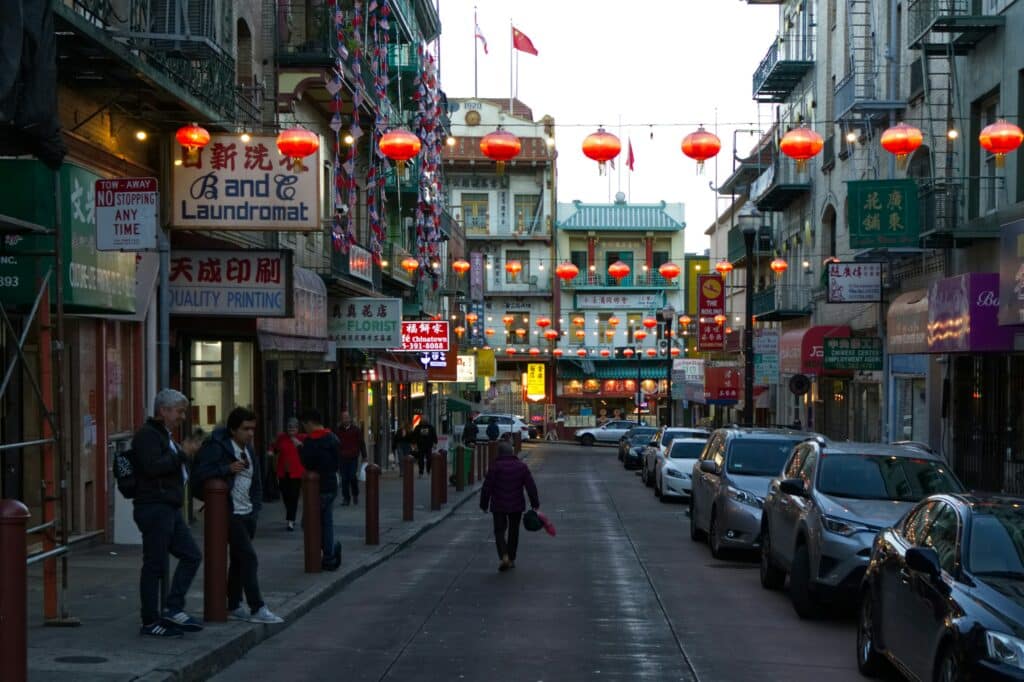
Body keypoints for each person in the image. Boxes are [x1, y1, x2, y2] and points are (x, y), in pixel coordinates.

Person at [193, 407, 283, 624]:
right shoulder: (216, 447)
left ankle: (233, 603)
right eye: (245, 429)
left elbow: (256, 481)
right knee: (248, 558)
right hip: (228, 511)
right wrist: (226, 468)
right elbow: (199, 475)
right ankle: (257, 607)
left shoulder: (249, 449)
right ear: (233, 430)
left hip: (247, 512)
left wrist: (255, 508)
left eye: (253, 429)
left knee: (239, 560)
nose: (250, 433)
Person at [130, 388, 203, 638]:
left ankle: (173, 607)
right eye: (179, 411)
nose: (183, 416)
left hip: (168, 507)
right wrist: (182, 454)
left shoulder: (165, 435)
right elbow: (151, 468)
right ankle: (150, 620)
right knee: (155, 564)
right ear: (164, 410)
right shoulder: (148, 436)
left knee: (191, 555)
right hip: (155, 507)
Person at [480, 433, 540, 572]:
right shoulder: (521, 467)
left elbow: (486, 487)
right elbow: (530, 486)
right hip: (516, 504)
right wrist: (535, 503)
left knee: (499, 531)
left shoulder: (495, 467)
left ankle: (504, 556)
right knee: (514, 531)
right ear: (512, 452)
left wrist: (483, 504)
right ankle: (511, 558)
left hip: (498, 504)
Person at [299, 408, 342, 570]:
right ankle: (329, 555)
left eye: (304, 425)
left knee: (309, 522)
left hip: (317, 488)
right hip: (331, 484)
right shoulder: (333, 438)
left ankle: (326, 553)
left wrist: (300, 449)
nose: (304, 429)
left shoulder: (311, 442)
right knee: (326, 520)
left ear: (310, 423)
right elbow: (338, 461)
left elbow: (307, 463)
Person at [271, 418, 305, 531]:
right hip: (283, 471)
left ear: (297, 428)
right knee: (285, 495)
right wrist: (271, 452)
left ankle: (291, 520)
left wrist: (300, 444)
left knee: (294, 496)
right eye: (289, 427)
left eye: (294, 427)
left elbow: (308, 448)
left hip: (296, 472)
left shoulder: (302, 438)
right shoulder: (282, 437)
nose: (291, 429)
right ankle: (290, 516)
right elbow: (274, 447)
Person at [334, 410, 366, 505]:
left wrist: (364, 456)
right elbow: (335, 444)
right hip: (342, 457)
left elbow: (361, 443)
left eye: (347, 418)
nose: (346, 420)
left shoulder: (356, 430)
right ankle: (346, 498)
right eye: (344, 418)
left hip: (353, 457)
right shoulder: (338, 430)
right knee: (344, 478)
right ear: (341, 419)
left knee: (352, 476)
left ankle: (355, 494)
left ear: (350, 419)